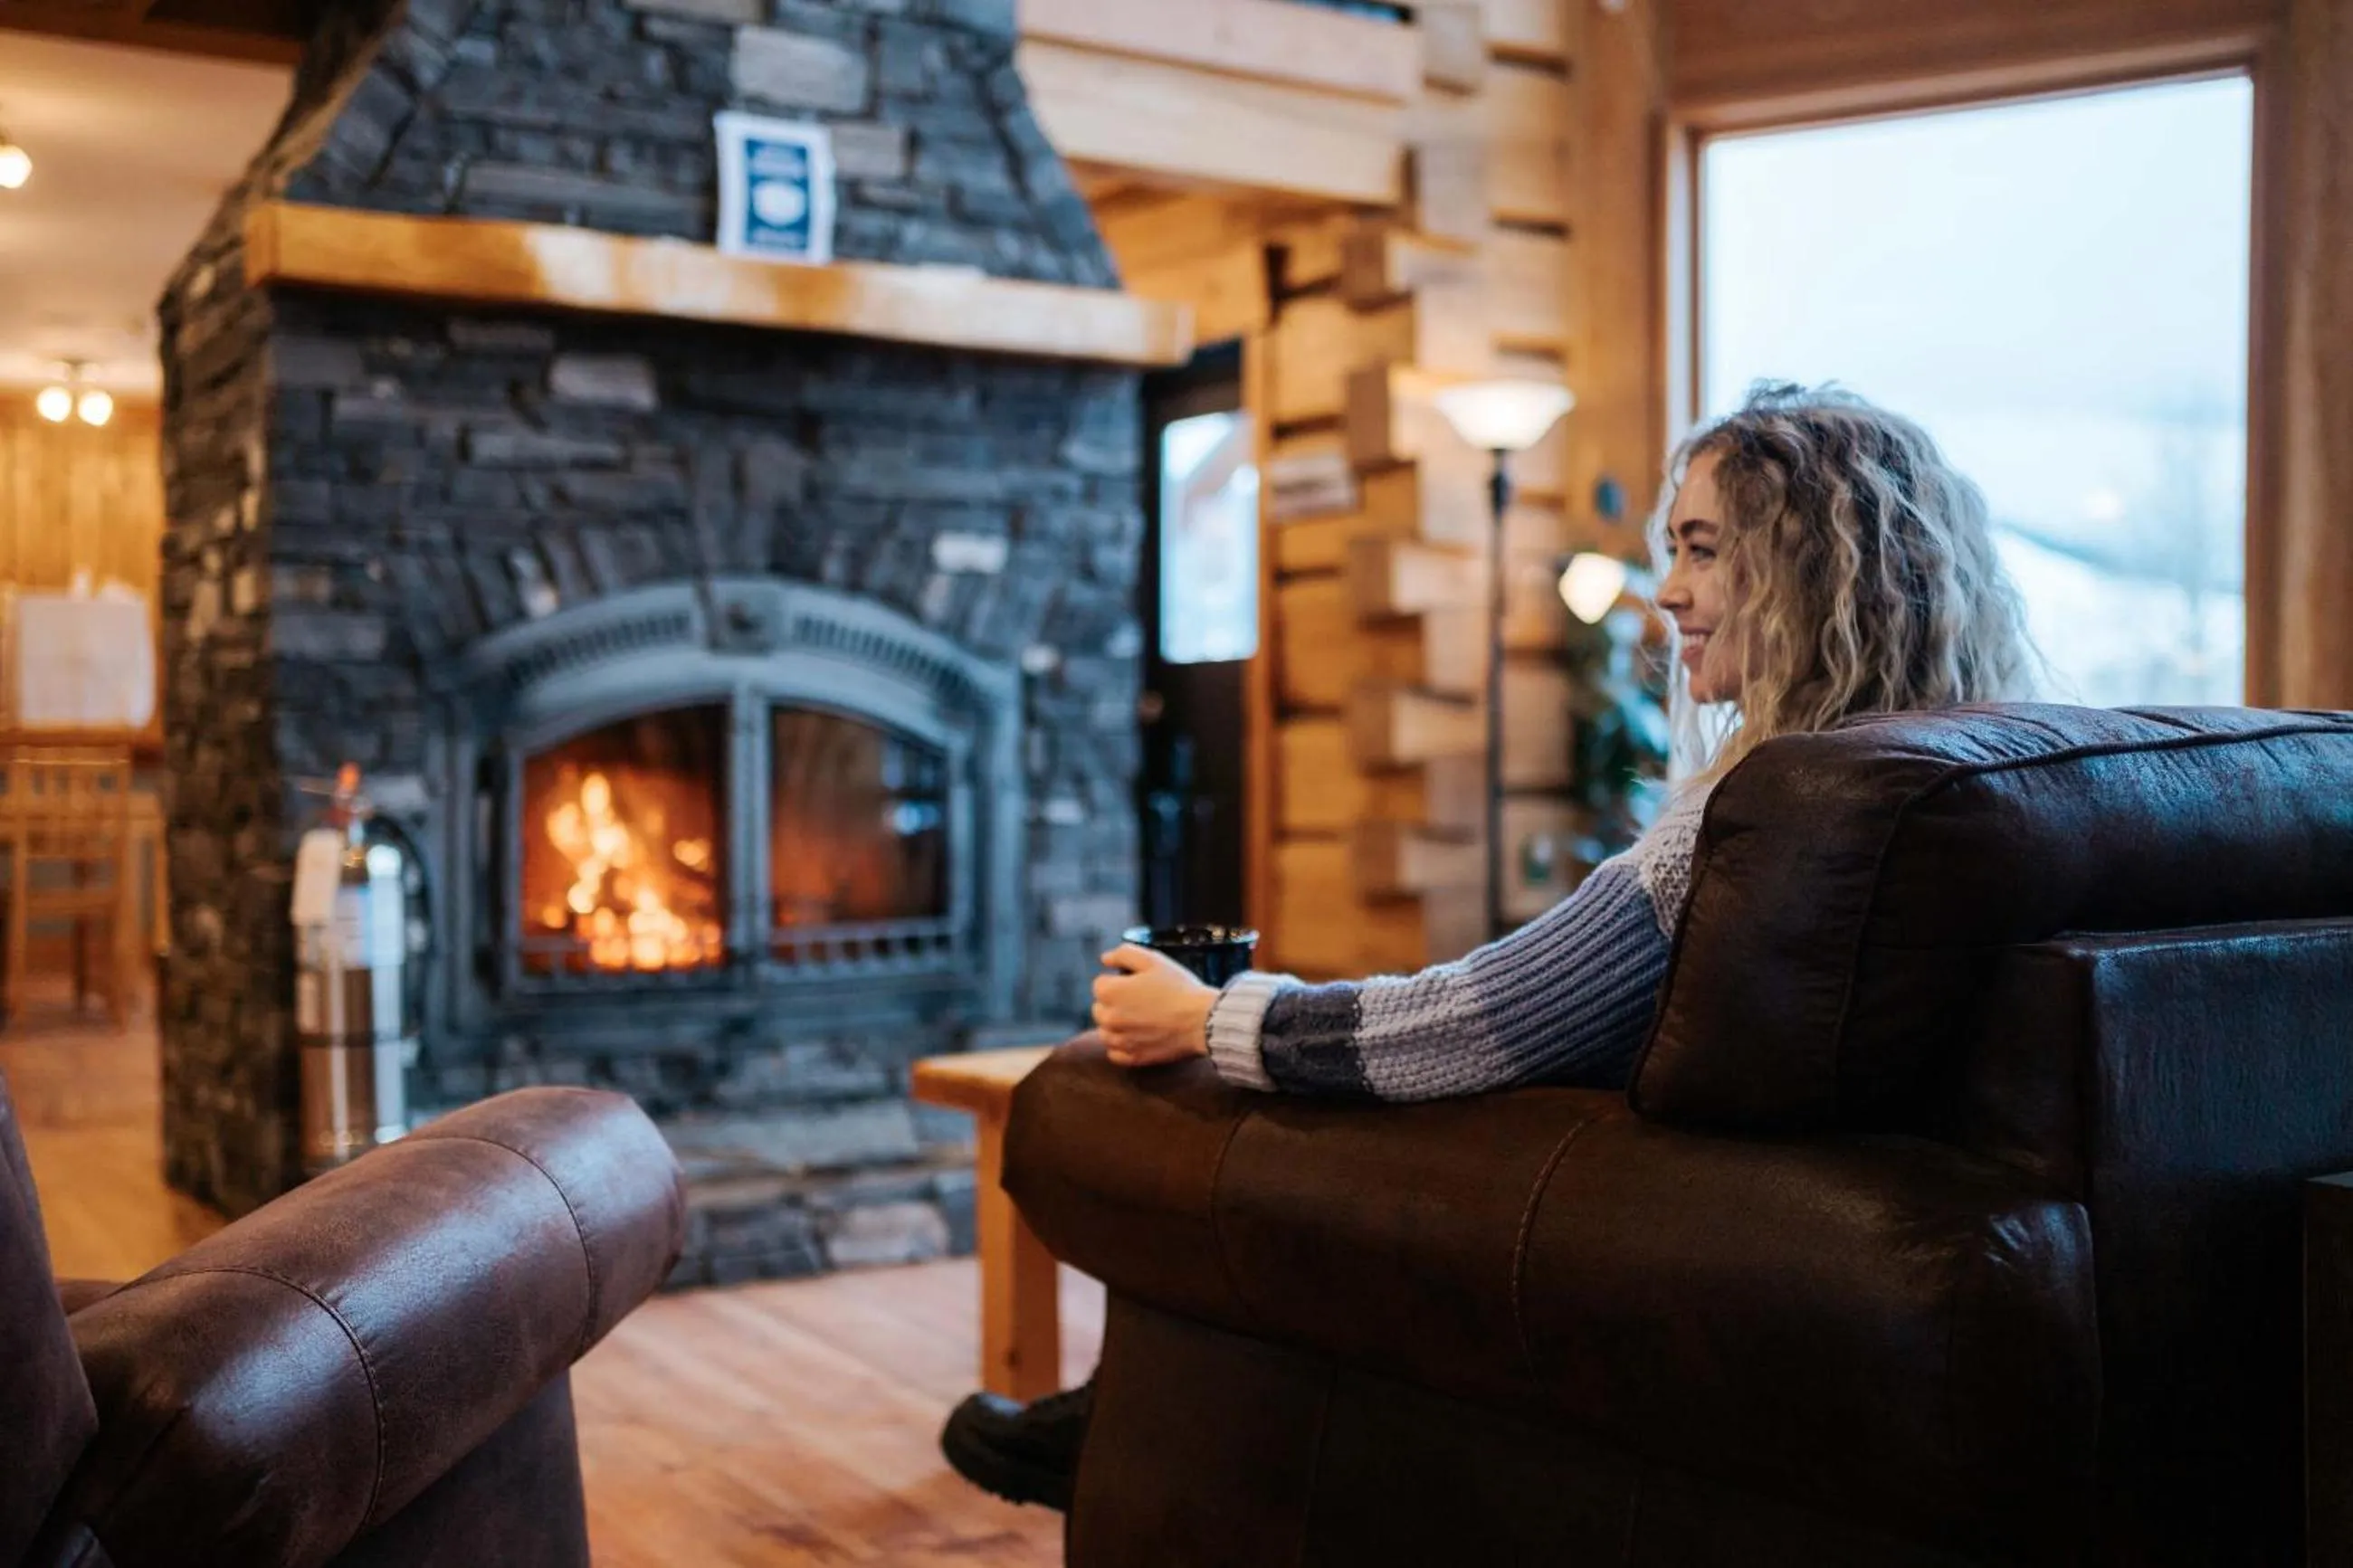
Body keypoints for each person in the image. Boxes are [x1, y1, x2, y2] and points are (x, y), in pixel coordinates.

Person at [938, 382, 2034, 1510]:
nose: (1666, 593)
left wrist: (1211, 1017)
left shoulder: (1761, 810)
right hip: (1818, 1224)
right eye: (1671, 551)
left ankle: (1126, 1419)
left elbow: (1472, 1019)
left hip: (1666, 1213)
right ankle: (1134, 1404)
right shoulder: (1985, 767)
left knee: (1232, 1108)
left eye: (1702, 552)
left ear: (1808, 567)